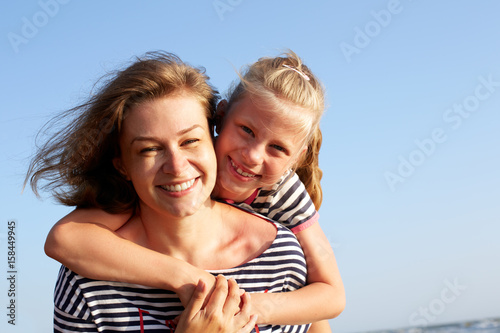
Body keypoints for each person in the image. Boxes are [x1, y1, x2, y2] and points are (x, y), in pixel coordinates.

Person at [40, 51, 345, 331]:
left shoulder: (285, 242)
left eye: (190, 141)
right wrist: (191, 278)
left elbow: (330, 296)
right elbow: (64, 239)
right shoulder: (89, 279)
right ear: (221, 121)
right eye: (148, 149)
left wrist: (246, 309)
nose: (176, 166)